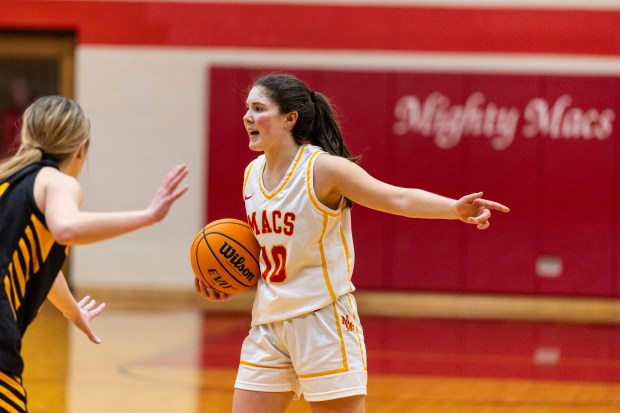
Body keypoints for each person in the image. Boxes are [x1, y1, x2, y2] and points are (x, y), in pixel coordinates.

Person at [194, 73, 510, 413]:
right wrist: (228, 278)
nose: (247, 117)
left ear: (290, 118)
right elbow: (269, 252)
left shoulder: (325, 169)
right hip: (268, 323)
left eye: (258, 108)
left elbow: (397, 199)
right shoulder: (252, 174)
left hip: (323, 321)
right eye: (247, 108)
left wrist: (453, 209)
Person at [0, 95, 189, 413]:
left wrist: (73, 312)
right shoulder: (57, 182)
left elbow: (39, 264)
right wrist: (148, 215)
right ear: (81, 148)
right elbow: (67, 229)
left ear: (28, 137)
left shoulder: (7, 183)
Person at [0, 76, 35, 158]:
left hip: (31, 161)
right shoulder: (4, 115)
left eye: (24, 91)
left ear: (30, 92)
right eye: (17, 91)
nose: (20, 94)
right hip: (7, 161)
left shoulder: (38, 114)